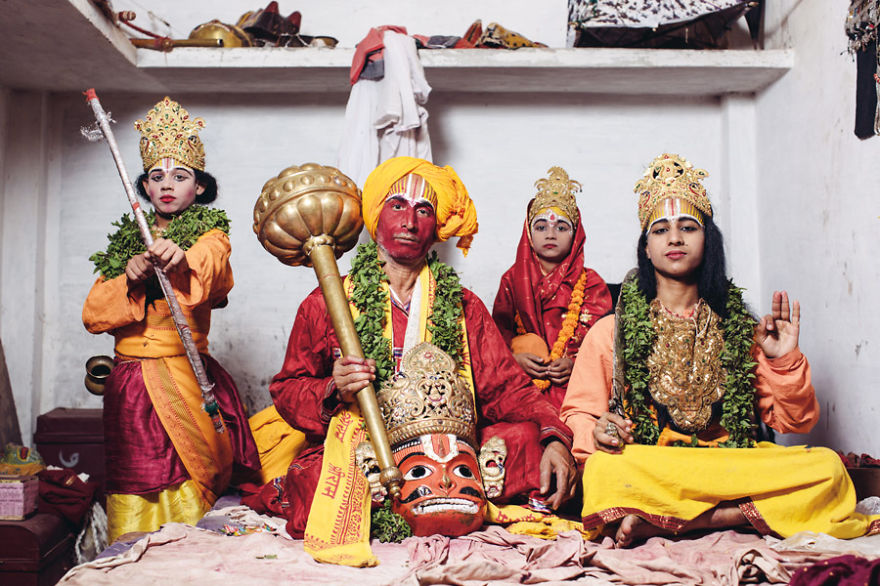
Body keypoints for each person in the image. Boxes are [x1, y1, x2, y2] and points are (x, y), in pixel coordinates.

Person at [244, 157, 577, 549]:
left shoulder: (464, 305)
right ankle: (445, 499)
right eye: (397, 205)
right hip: (365, 442)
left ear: (435, 227)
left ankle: (414, 499)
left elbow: (507, 389)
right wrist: (334, 388)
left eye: (424, 210)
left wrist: (556, 437)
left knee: (525, 440)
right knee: (318, 476)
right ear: (375, 216)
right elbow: (288, 389)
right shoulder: (326, 302)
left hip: (452, 445)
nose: (410, 221)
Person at [560, 153, 880, 547]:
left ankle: (686, 520)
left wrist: (783, 360)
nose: (674, 238)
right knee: (604, 472)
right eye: (660, 230)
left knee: (828, 468)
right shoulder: (611, 332)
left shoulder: (743, 331)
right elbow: (578, 412)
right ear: (646, 248)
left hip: (732, 463)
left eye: (687, 227)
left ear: (706, 241)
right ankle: (743, 514)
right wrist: (598, 430)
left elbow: (794, 423)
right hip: (658, 464)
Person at [82, 97, 259, 542]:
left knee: (196, 468)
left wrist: (180, 261)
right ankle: (132, 552)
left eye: (180, 176)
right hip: (132, 381)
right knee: (138, 469)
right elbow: (95, 312)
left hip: (185, 370)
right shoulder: (128, 241)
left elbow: (211, 273)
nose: (167, 185)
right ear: (143, 185)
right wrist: (131, 275)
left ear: (199, 187)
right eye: (156, 176)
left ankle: (188, 550)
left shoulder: (211, 235)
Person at [493, 166, 612, 409]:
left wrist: (574, 363)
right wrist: (514, 359)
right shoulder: (512, 279)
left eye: (561, 227)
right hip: (523, 381)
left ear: (575, 235)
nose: (551, 234)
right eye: (541, 227)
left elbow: (602, 343)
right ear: (529, 234)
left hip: (576, 382)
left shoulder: (592, 284)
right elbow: (497, 335)